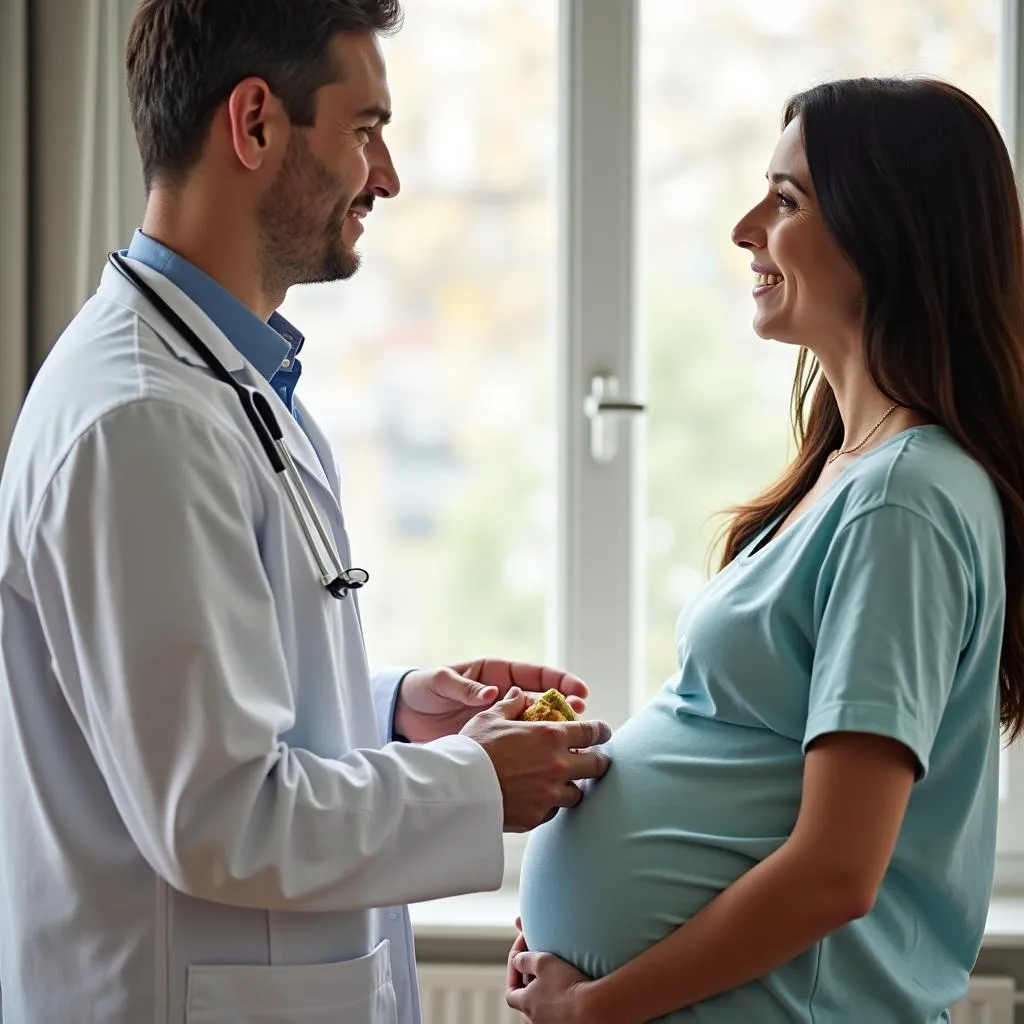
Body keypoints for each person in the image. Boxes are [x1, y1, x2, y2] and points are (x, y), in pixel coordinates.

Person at [0, 2, 613, 1022]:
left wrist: (392, 708)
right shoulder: (145, 419)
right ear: (253, 125)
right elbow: (216, 814)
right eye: (365, 130)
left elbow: (184, 702)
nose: (387, 176)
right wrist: (473, 783)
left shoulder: (231, 383)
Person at [507, 77, 1024, 1024]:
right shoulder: (849, 473)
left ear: (890, 232)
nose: (747, 229)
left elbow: (835, 872)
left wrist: (598, 1005)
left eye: (785, 201)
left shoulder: (904, 498)